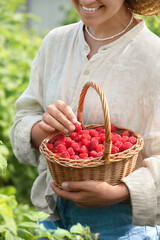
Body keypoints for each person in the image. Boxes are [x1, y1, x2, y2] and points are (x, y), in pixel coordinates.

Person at [10, 0, 160, 239]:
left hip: (122, 225)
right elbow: (24, 119)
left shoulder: (154, 57)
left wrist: (120, 192)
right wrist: (42, 128)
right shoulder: (55, 42)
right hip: (52, 218)